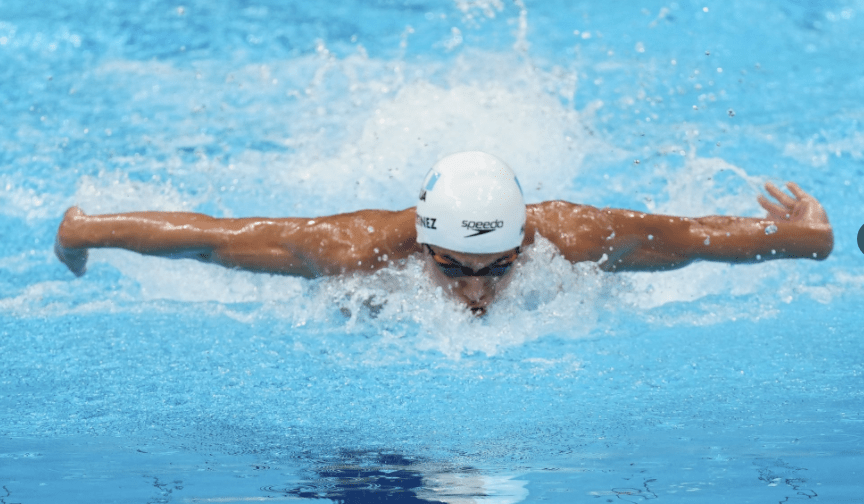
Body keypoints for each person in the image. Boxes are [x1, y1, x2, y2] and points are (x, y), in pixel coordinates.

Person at [55, 151, 833, 315]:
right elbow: (214, 238)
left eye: (497, 268)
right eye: (453, 266)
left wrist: (808, 238)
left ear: (525, 244)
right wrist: (85, 230)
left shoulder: (574, 237)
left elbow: (697, 236)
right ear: (421, 244)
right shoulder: (358, 249)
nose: (473, 289)